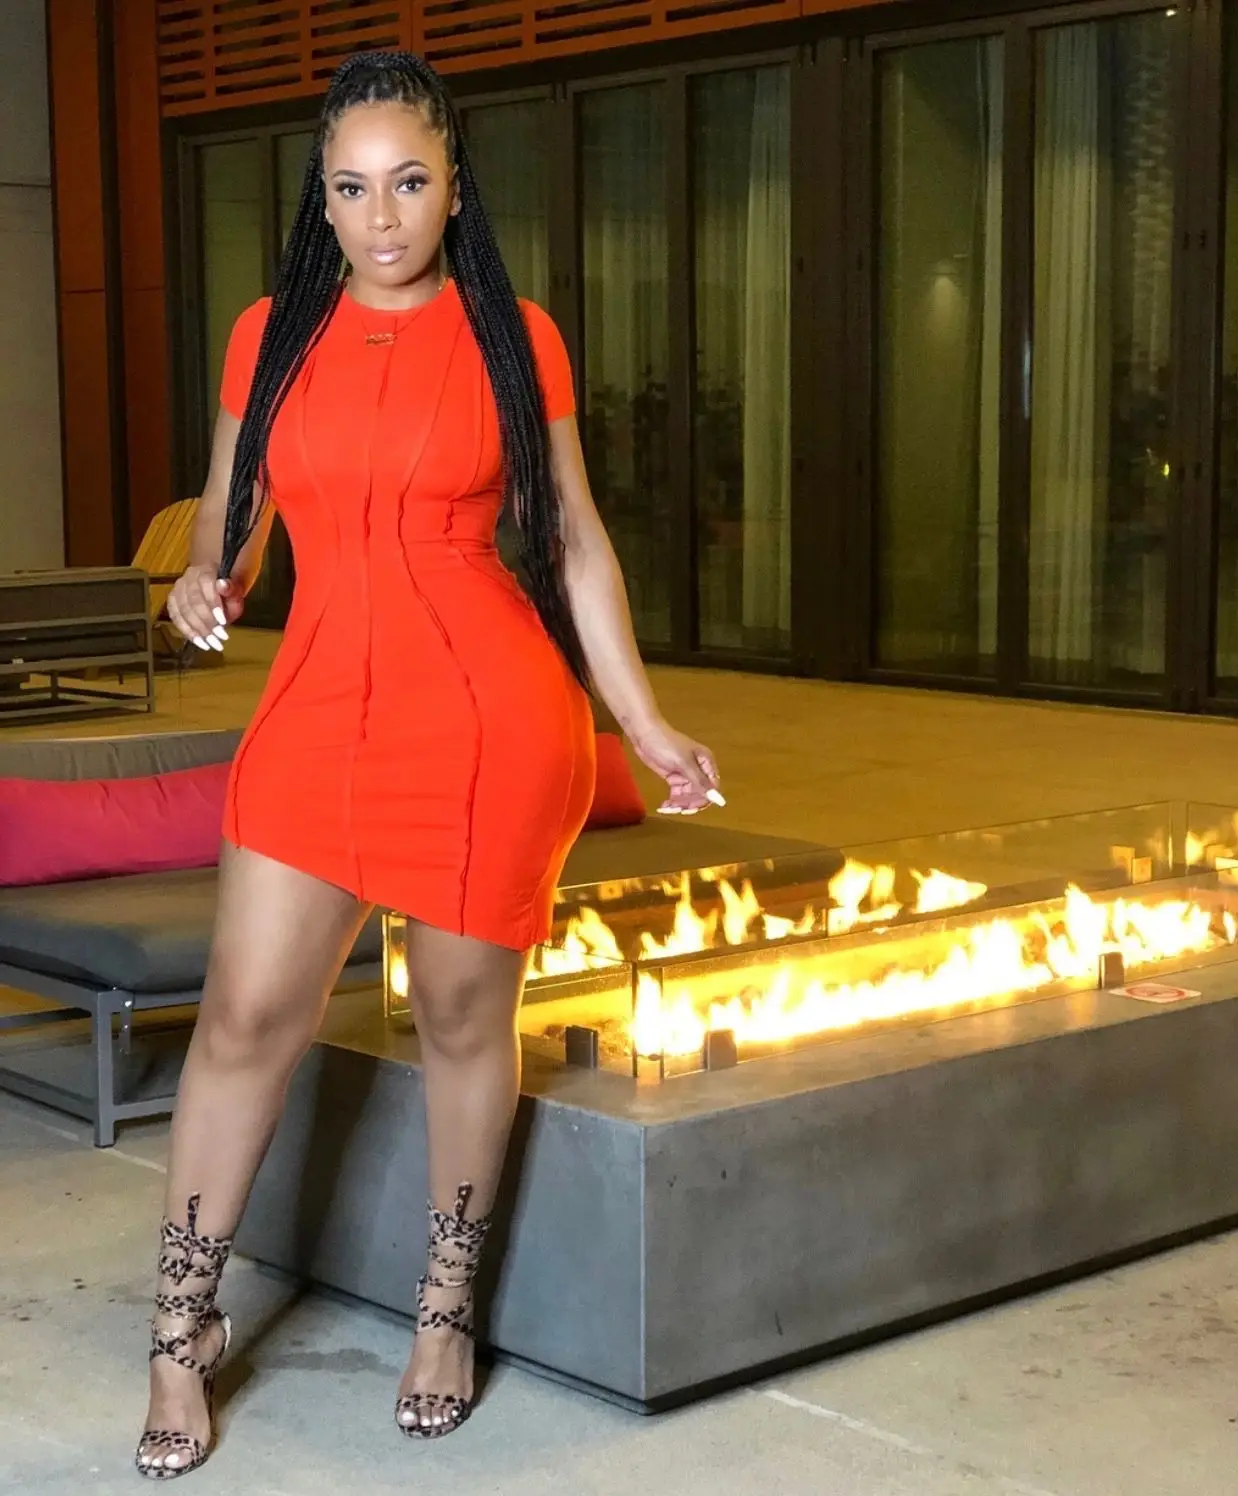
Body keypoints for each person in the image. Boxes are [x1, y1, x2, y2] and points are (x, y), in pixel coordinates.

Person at [134, 48, 723, 1480]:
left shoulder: (517, 337)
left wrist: (641, 723)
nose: (381, 216)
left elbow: (573, 542)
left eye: (408, 182)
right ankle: (179, 1331)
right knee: (242, 1020)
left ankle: (445, 1311)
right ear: (321, 201)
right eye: (351, 189)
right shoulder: (269, 334)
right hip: (317, 711)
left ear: (456, 184)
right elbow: (231, 519)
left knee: (463, 1022)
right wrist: (207, 579)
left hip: (483, 722)